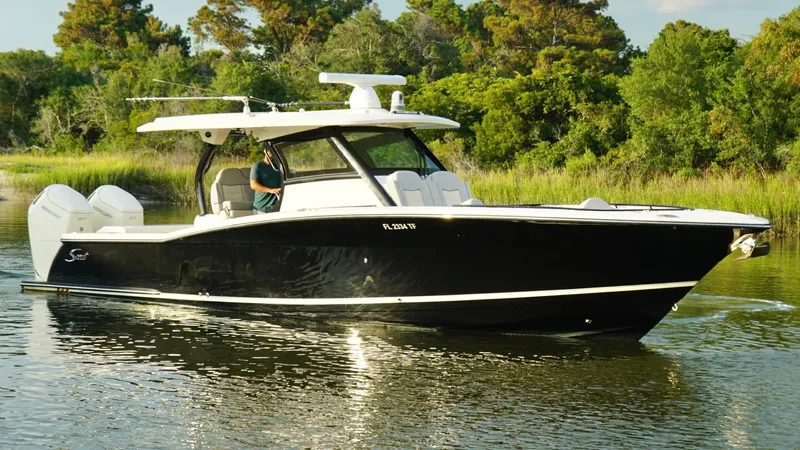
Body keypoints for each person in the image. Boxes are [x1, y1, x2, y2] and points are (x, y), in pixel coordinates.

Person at [250, 147, 282, 213]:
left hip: (278, 207)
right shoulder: (258, 166)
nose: (272, 154)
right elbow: (253, 185)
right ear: (266, 152)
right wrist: (270, 190)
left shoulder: (280, 166)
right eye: (270, 152)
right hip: (262, 208)